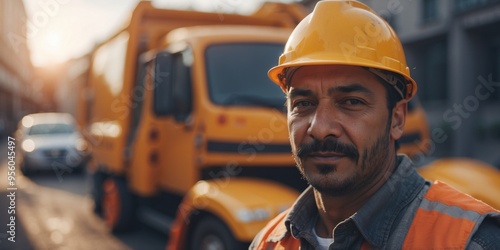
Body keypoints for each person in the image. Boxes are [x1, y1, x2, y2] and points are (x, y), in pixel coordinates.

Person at [250, 1, 500, 249]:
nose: (321, 127)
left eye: (351, 102)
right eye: (303, 103)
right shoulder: (268, 243)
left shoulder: (470, 241)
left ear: (397, 118)